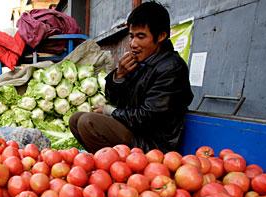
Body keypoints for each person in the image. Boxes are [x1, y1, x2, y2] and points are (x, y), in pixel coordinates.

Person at [69, 1, 193, 153]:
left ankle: (115, 167)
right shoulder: (141, 62)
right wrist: (119, 75)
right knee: (75, 119)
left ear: (161, 36)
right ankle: (106, 164)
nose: (133, 44)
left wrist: (109, 111)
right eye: (131, 36)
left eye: (141, 36)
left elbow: (147, 117)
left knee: (88, 122)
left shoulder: (171, 68)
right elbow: (115, 99)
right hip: (133, 129)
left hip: (152, 143)